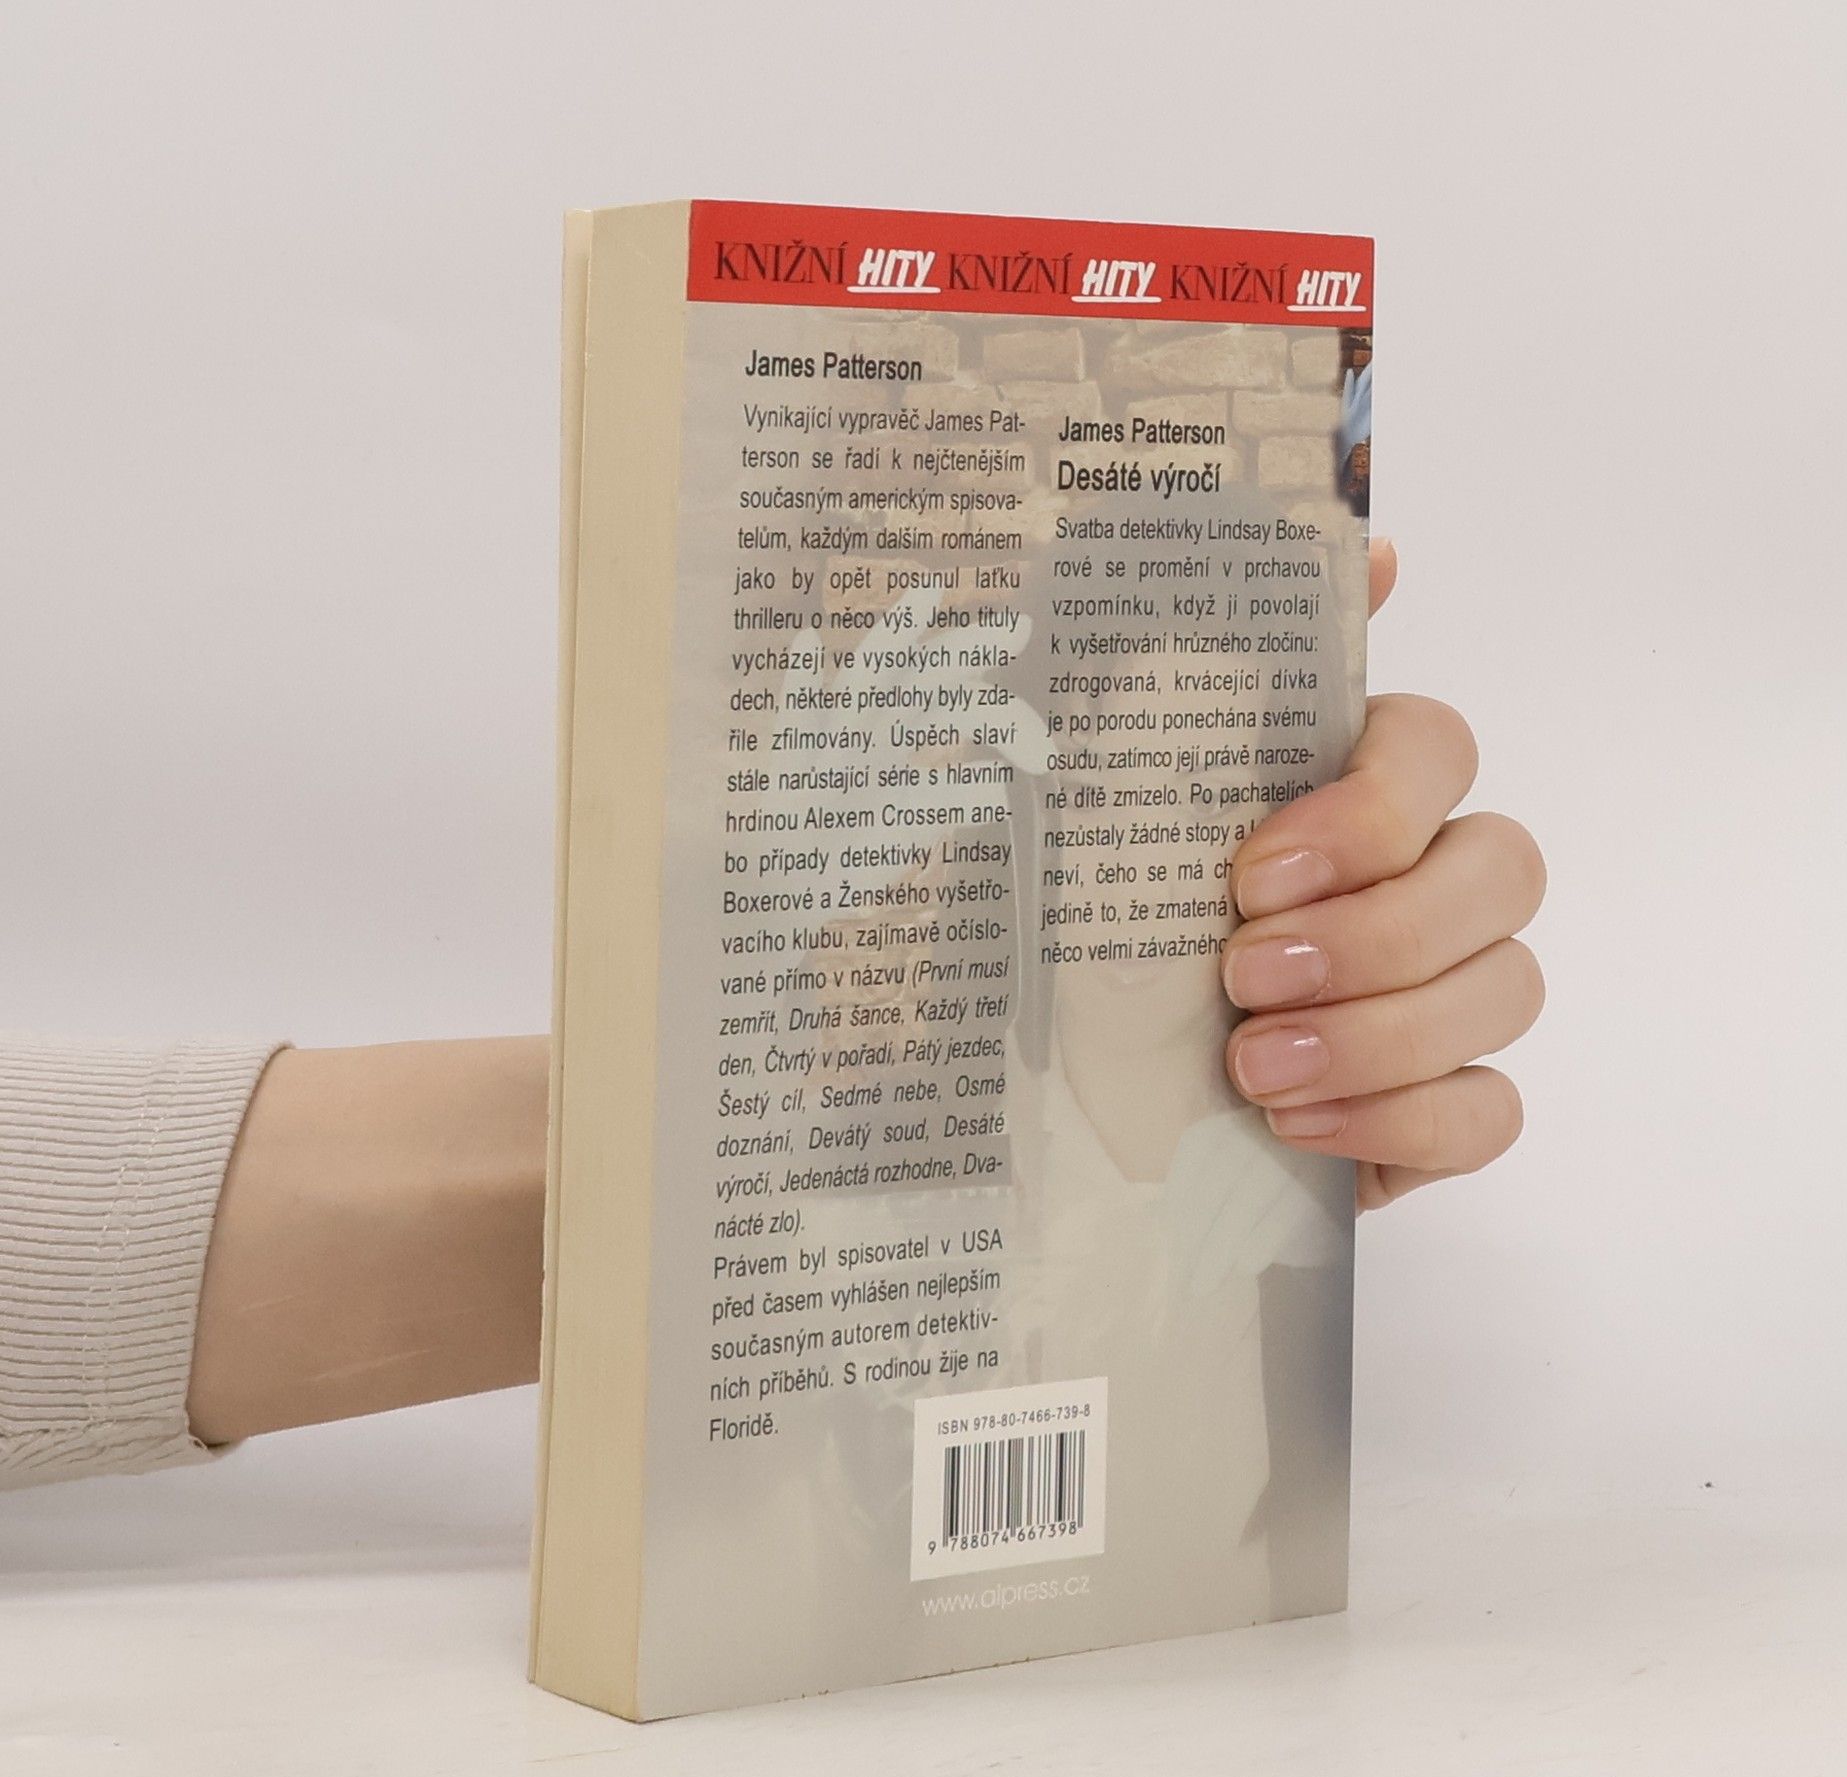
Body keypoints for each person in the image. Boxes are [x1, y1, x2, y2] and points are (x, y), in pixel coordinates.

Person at [0, 542, 1544, 1492]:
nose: (1150, 852)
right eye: (1112, 788)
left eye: (1198, 792)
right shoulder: (903, 1182)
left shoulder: (1216, 1211)